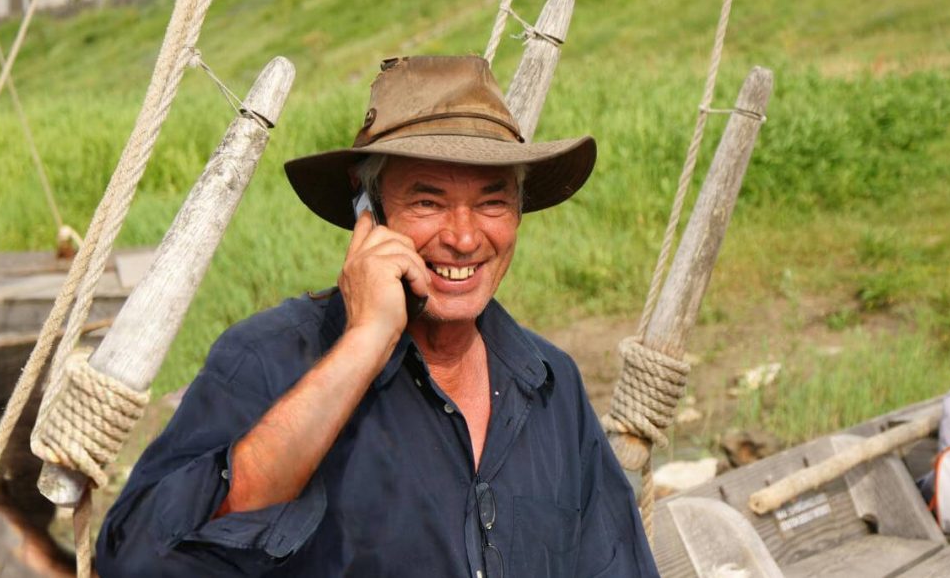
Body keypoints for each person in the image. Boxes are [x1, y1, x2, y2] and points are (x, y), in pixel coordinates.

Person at [96, 55, 659, 577]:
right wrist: (364, 343)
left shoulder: (549, 384)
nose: (464, 238)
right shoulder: (269, 358)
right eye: (427, 201)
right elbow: (139, 558)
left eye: (492, 201)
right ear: (368, 212)